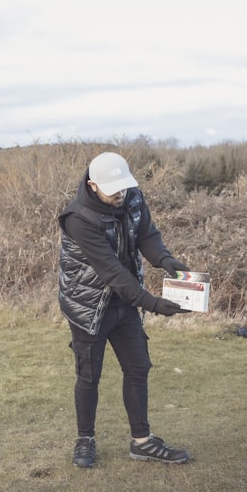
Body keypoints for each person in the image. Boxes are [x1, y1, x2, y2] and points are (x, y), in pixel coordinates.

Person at [57, 152, 191, 468]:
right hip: (87, 305)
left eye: (124, 187)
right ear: (93, 186)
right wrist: (153, 304)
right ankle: (85, 440)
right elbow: (112, 271)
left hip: (124, 302)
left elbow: (147, 235)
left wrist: (165, 260)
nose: (121, 194)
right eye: (113, 189)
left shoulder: (131, 198)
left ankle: (142, 442)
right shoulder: (78, 218)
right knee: (89, 375)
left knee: (138, 367)